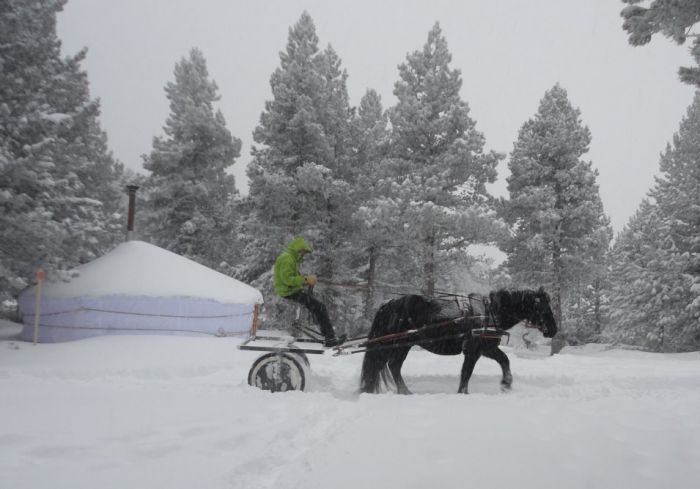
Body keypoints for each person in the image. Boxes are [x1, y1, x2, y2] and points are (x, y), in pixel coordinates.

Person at [273, 237, 346, 347]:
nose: (304, 254)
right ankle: (330, 338)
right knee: (320, 307)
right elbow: (287, 279)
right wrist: (305, 279)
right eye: (303, 252)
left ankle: (328, 335)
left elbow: (292, 279)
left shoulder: (291, 258)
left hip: (291, 291)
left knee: (318, 307)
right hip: (288, 292)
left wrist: (306, 280)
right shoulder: (287, 259)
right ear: (298, 249)